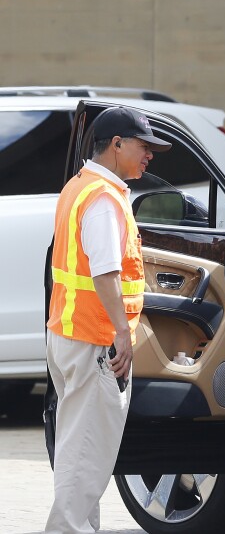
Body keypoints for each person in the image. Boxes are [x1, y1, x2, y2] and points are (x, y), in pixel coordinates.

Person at [45, 106, 171, 533]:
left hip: (67, 334)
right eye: (144, 146)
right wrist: (122, 333)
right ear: (116, 145)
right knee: (87, 457)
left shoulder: (79, 186)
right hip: (95, 340)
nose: (150, 154)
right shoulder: (103, 199)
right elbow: (104, 273)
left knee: (77, 452)